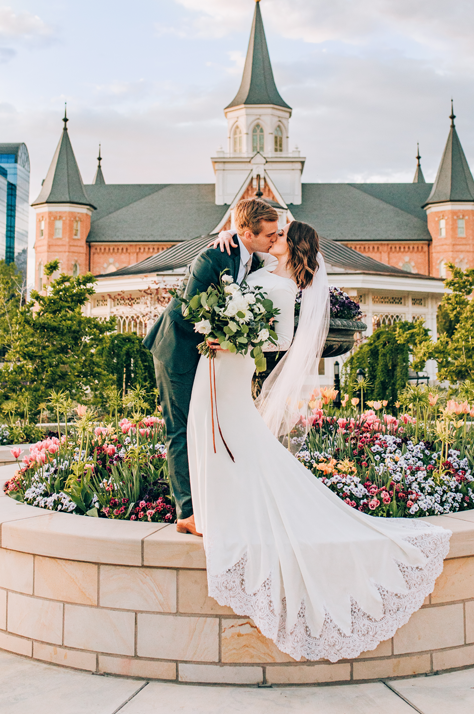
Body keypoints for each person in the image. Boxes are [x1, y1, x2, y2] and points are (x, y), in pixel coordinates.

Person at [186, 220, 451, 662]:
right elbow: (234, 256)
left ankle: (230, 515)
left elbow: (282, 340)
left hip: (232, 360)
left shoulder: (289, 288)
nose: (275, 240)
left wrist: (235, 336)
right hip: (215, 361)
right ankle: (217, 509)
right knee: (223, 436)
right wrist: (226, 239)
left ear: (294, 247)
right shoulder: (254, 262)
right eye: (271, 234)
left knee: (239, 437)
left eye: (281, 237)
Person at [143, 198, 279, 536]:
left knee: (203, 426)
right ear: (247, 234)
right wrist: (226, 334)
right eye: (269, 236)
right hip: (176, 348)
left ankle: (211, 501)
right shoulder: (213, 256)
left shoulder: (248, 253)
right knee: (179, 427)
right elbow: (192, 309)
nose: (274, 241)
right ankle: (187, 513)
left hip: (207, 355)